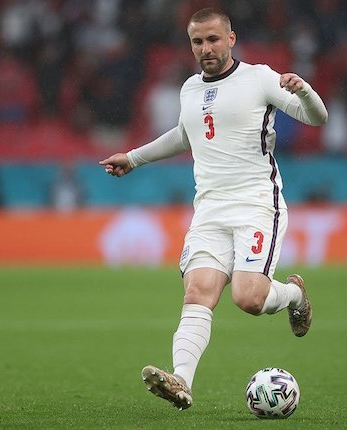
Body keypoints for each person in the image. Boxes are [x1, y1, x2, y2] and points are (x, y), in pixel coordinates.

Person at [99, 8, 328, 411]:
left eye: (213, 39)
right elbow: (183, 134)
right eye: (197, 41)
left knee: (248, 298)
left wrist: (304, 89)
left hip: (256, 204)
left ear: (231, 39)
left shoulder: (259, 78)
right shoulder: (190, 88)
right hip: (209, 210)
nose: (205, 48)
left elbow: (317, 117)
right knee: (197, 291)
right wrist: (133, 158)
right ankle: (181, 381)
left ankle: (294, 295)